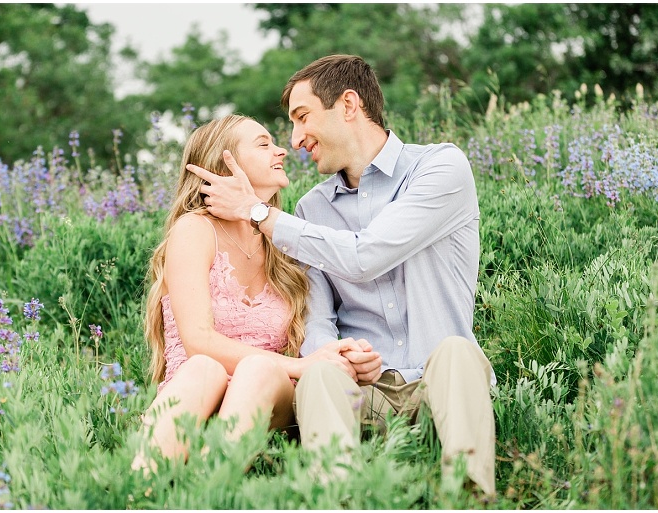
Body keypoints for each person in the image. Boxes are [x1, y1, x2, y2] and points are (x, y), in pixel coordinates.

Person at [186, 55, 496, 495]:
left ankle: (470, 499)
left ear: (349, 104)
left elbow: (366, 255)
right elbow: (315, 315)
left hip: (440, 387)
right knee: (320, 372)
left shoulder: (441, 168)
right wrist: (337, 353)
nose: (295, 140)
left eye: (302, 118)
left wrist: (255, 212)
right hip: (362, 397)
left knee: (457, 352)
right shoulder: (311, 209)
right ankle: (338, 499)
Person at [130, 114, 382, 472]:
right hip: (197, 392)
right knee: (205, 367)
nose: (282, 150)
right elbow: (197, 341)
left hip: (268, 394)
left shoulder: (283, 240)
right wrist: (302, 365)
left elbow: (313, 331)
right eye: (263, 144)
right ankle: (140, 493)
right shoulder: (195, 231)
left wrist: (340, 354)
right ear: (224, 162)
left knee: (259, 369)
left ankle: (206, 493)